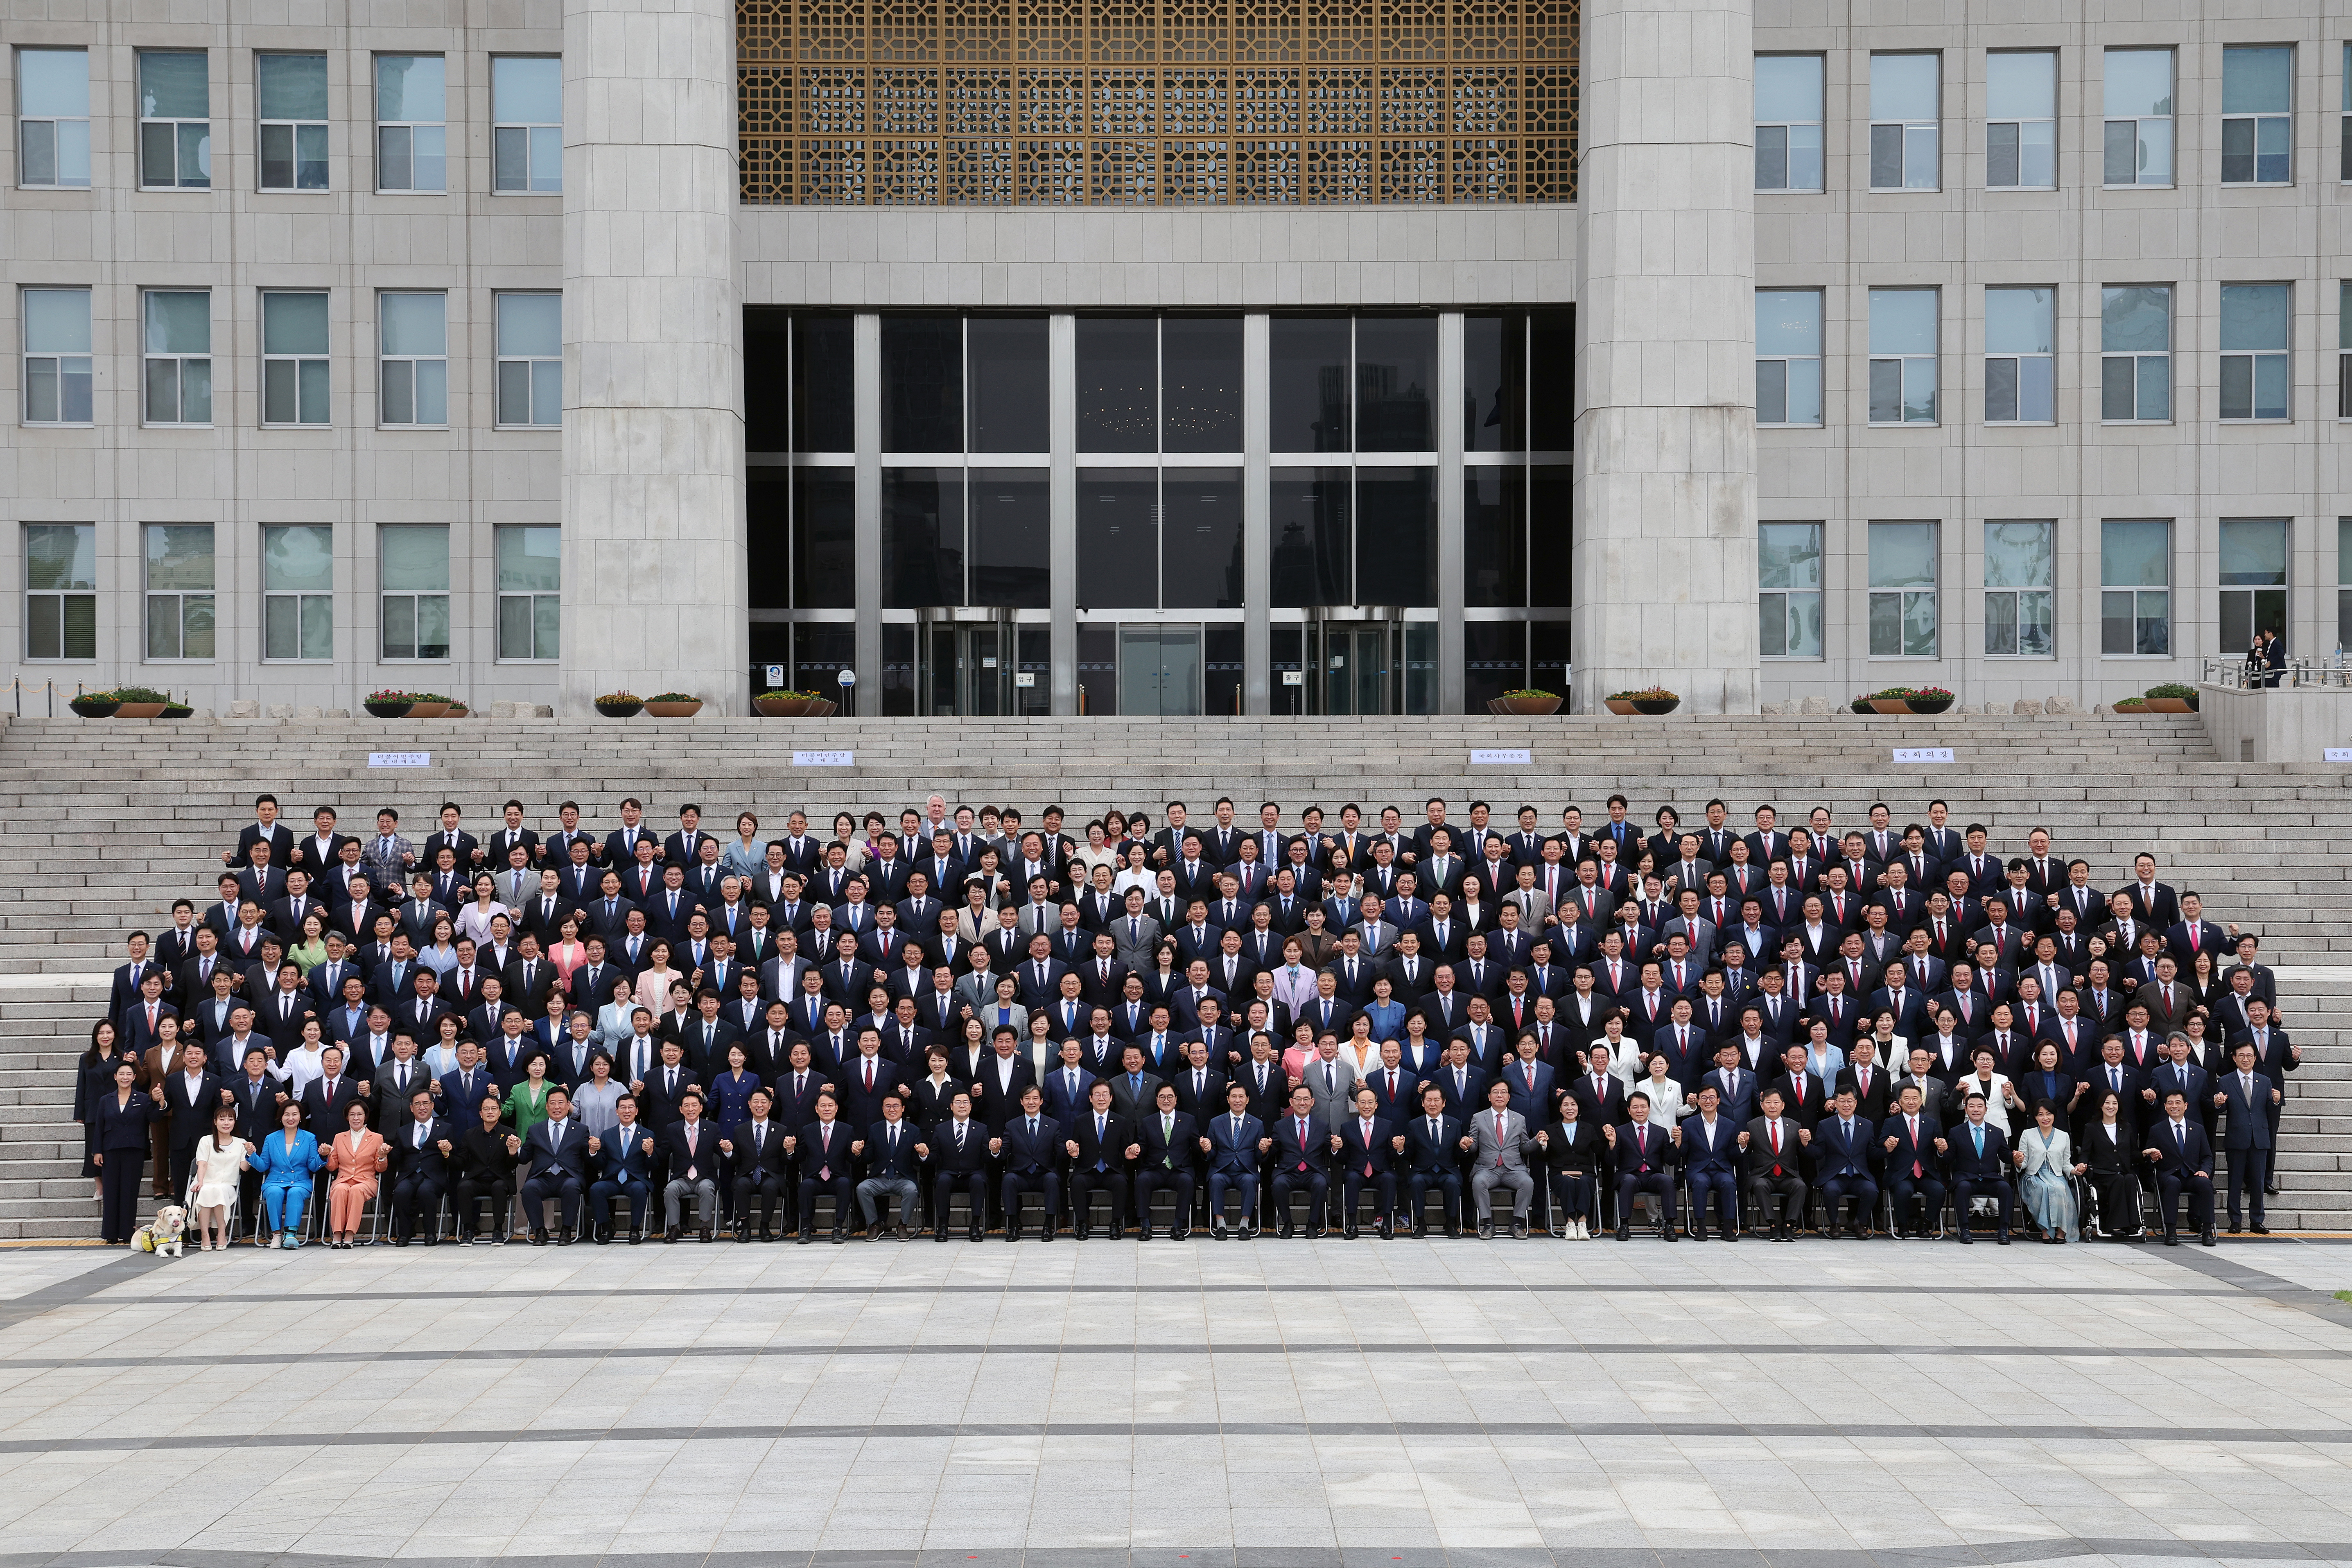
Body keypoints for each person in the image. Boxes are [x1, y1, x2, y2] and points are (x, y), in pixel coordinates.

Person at [91, 1060, 159, 1245]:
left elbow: (154, 1117)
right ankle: (110, 1233)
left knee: (129, 1192)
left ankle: (127, 1231)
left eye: (129, 1074)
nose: (125, 1078)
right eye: (121, 1074)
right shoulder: (106, 1100)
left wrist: (158, 1101)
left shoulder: (143, 1099)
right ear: (115, 1077)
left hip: (134, 1150)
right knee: (111, 1191)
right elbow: (99, 1127)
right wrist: (97, 1151)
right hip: (110, 1150)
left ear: (134, 1077)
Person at [1468, 1078, 1544, 1238]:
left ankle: (1516, 1224)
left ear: (1509, 1097)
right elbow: (1474, 1146)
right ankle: (1488, 1224)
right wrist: (1467, 1144)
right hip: (1487, 1168)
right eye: (1495, 1092)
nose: (1499, 1096)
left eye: (1504, 1092)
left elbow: (1524, 1147)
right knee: (1478, 1182)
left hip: (1513, 1169)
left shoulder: (1519, 1119)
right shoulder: (1478, 1118)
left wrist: (1536, 1140)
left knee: (1528, 1182)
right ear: (1489, 1097)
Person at [2143, 1089, 2216, 1246]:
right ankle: (2170, 1232)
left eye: (2178, 1103)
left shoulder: (2198, 1129)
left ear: (2186, 1106)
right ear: (2165, 1107)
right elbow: (2148, 1160)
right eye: (2170, 1103)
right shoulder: (2157, 1130)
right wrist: (2153, 1158)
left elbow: (2207, 1157)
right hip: (2168, 1175)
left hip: (2191, 1175)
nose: (2174, 1106)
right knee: (2172, 1183)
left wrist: (2205, 1171)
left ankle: (2208, 1232)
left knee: (2205, 1184)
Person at [248, 1099, 323, 1248]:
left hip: (300, 1181)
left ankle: (290, 1234)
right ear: (281, 1117)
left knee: (295, 1192)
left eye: (295, 1114)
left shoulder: (309, 1138)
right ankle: (277, 1234)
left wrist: (323, 1156)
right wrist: (252, 1155)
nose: (291, 1118)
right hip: (275, 1180)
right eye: (287, 1115)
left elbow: (313, 1167)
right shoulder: (271, 1138)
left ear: (301, 1117)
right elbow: (263, 1166)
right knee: (274, 1192)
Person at [855, 1091, 927, 1239]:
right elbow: (868, 1157)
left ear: (903, 1109)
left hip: (903, 1178)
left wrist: (922, 1154)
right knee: (862, 1188)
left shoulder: (913, 1130)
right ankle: (875, 1224)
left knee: (912, 1190)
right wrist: (859, 1152)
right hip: (880, 1178)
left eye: (896, 1106)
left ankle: (903, 1225)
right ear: (882, 1109)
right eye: (888, 1106)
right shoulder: (875, 1129)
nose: (892, 1110)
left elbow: (916, 1160)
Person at [453, 1094, 522, 1243]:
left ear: (500, 1112)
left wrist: (512, 1152)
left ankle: (498, 1231)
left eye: (494, 1109)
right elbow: (462, 1162)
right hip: (477, 1179)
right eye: (486, 1109)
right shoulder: (470, 1134)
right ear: (480, 1114)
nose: (490, 1112)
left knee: (499, 1187)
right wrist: (447, 1154)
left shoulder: (510, 1134)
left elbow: (513, 1166)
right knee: (464, 1187)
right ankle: (468, 1230)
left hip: (500, 1178)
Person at [1948, 1093, 2015, 1244]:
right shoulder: (1956, 1132)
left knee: (2005, 1188)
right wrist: (1941, 1151)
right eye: (1972, 1106)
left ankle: (2004, 1230)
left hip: (1990, 1177)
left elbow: (2006, 1156)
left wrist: (2015, 1157)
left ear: (1986, 1110)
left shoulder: (1997, 1132)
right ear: (1966, 1110)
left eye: (1980, 1106)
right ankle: (1965, 1230)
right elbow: (1949, 1157)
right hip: (1966, 1177)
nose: (1976, 1110)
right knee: (1963, 1188)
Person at [186, 1105, 252, 1249]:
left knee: (220, 1190)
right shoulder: (206, 1141)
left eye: (230, 1119)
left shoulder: (241, 1143)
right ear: (215, 1122)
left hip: (227, 1184)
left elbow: (244, 1168)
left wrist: (250, 1155)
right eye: (222, 1119)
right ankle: (205, 1236)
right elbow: (202, 1164)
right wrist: (201, 1182)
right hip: (206, 1181)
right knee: (205, 1190)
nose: (226, 1123)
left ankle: (221, 1233)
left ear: (235, 1122)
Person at [324, 1099, 386, 1247]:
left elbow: (380, 1168)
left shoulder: (377, 1138)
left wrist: (383, 1156)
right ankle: (337, 1233)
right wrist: (327, 1155)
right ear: (347, 1117)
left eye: (360, 1114)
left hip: (366, 1181)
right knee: (339, 1190)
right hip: (344, 1179)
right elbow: (332, 1167)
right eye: (352, 1115)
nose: (356, 1118)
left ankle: (350, 1234)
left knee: (357, 1191)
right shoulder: (339, 1138)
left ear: (365, 1117)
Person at [2015, 1100, 2077, 1243]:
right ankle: (2046, 1231)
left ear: (2054, 1115)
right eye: (2041, 1115)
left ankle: (2061, 1231)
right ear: (2036, 1117)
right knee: (2045, 1189)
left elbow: (2066, 1163)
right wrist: (2018, 1160)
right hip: (2034, 1176)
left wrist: (2075, 1170)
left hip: (2056, 1175)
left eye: (2049, 1114)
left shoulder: (2064, 1136)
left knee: (2060, 1188)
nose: (2045, 1118)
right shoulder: (2027, 1134)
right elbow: (2023, 1163)